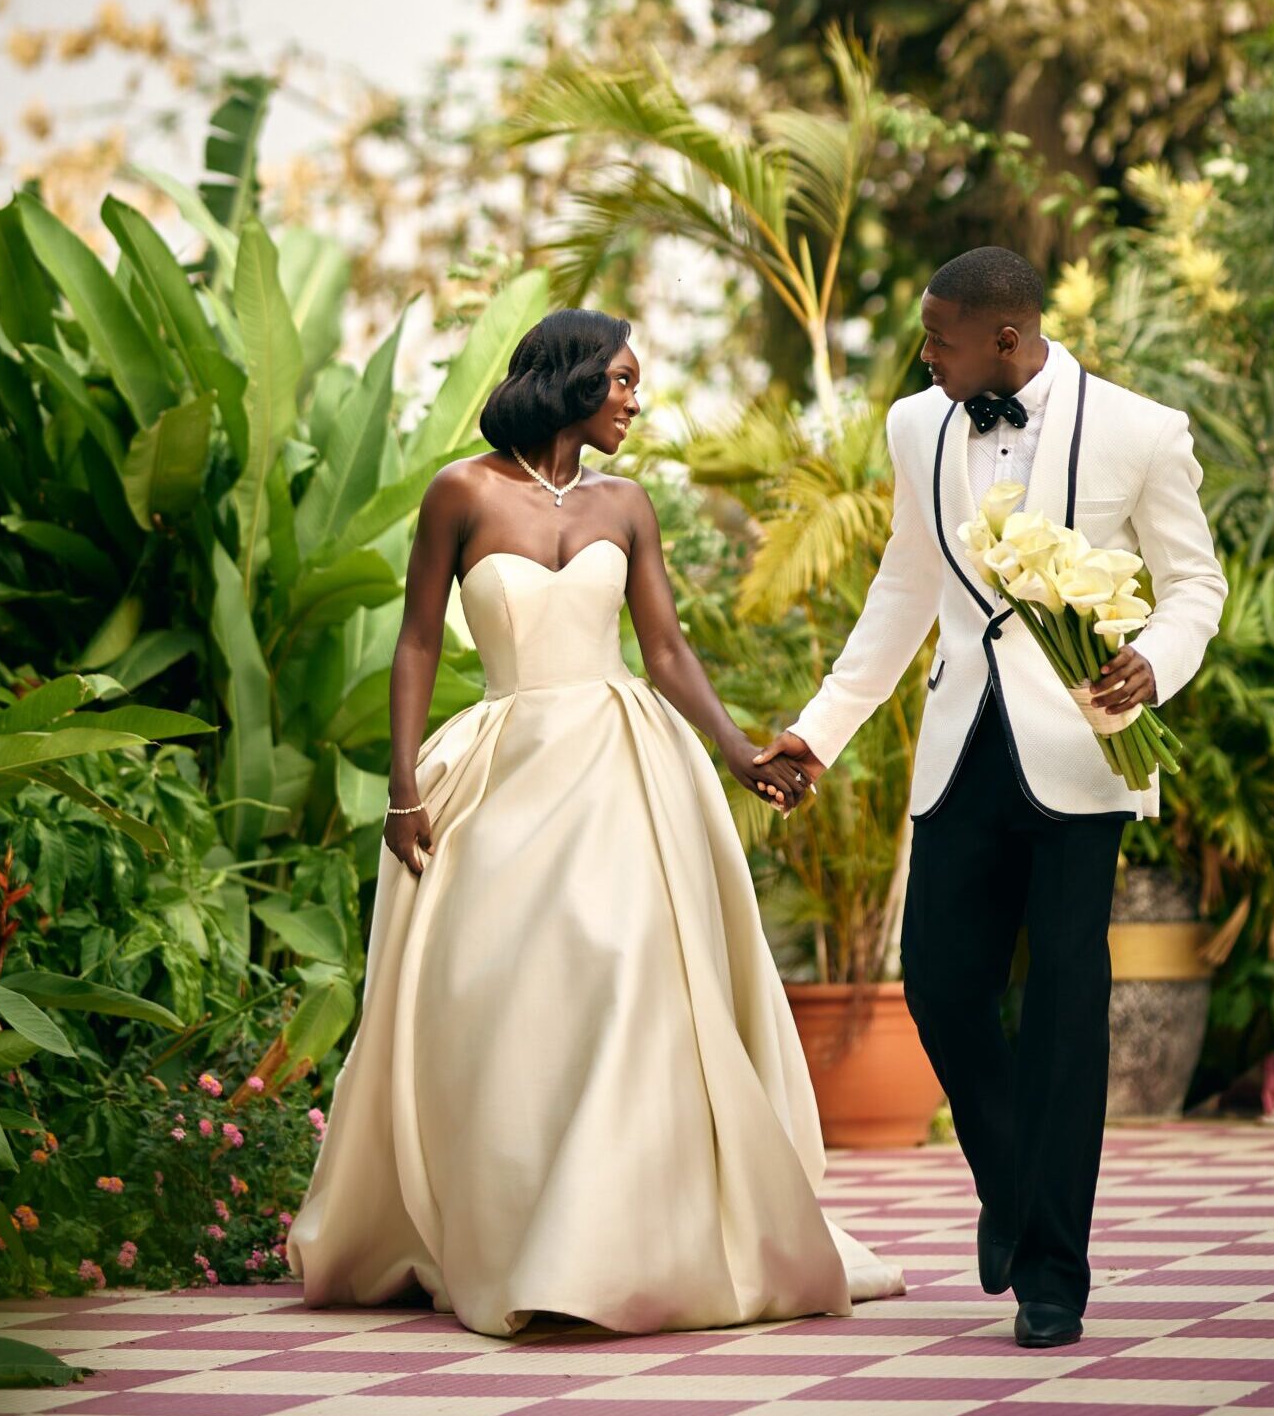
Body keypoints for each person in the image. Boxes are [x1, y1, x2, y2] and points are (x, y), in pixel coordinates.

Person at [287, 308, 904, 1336]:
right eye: (619, 379)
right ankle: (509, 1226)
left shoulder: (627, 505)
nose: (633, 398)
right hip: (504, 765)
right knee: (505, 998)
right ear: (568, 378)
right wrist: (401, 786)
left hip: (624, 763)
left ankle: (610, 1245)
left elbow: (663, 650)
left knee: (624, 972)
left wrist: (738, 751)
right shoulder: (460, 492)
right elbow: (416, 645)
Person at [757, 248, 1226, 1348]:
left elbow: (1194, 582)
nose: (924, 356)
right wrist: (818, 731)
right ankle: (1009, 1184)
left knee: (1065, 1008)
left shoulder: (1139, 430)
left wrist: (1154, 659)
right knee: (937, 982)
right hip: (960, 744)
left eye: (939, 339)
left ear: (1004, 341)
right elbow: (904, 590)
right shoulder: (919, 426)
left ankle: (1052, 1271)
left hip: (1085, 755)